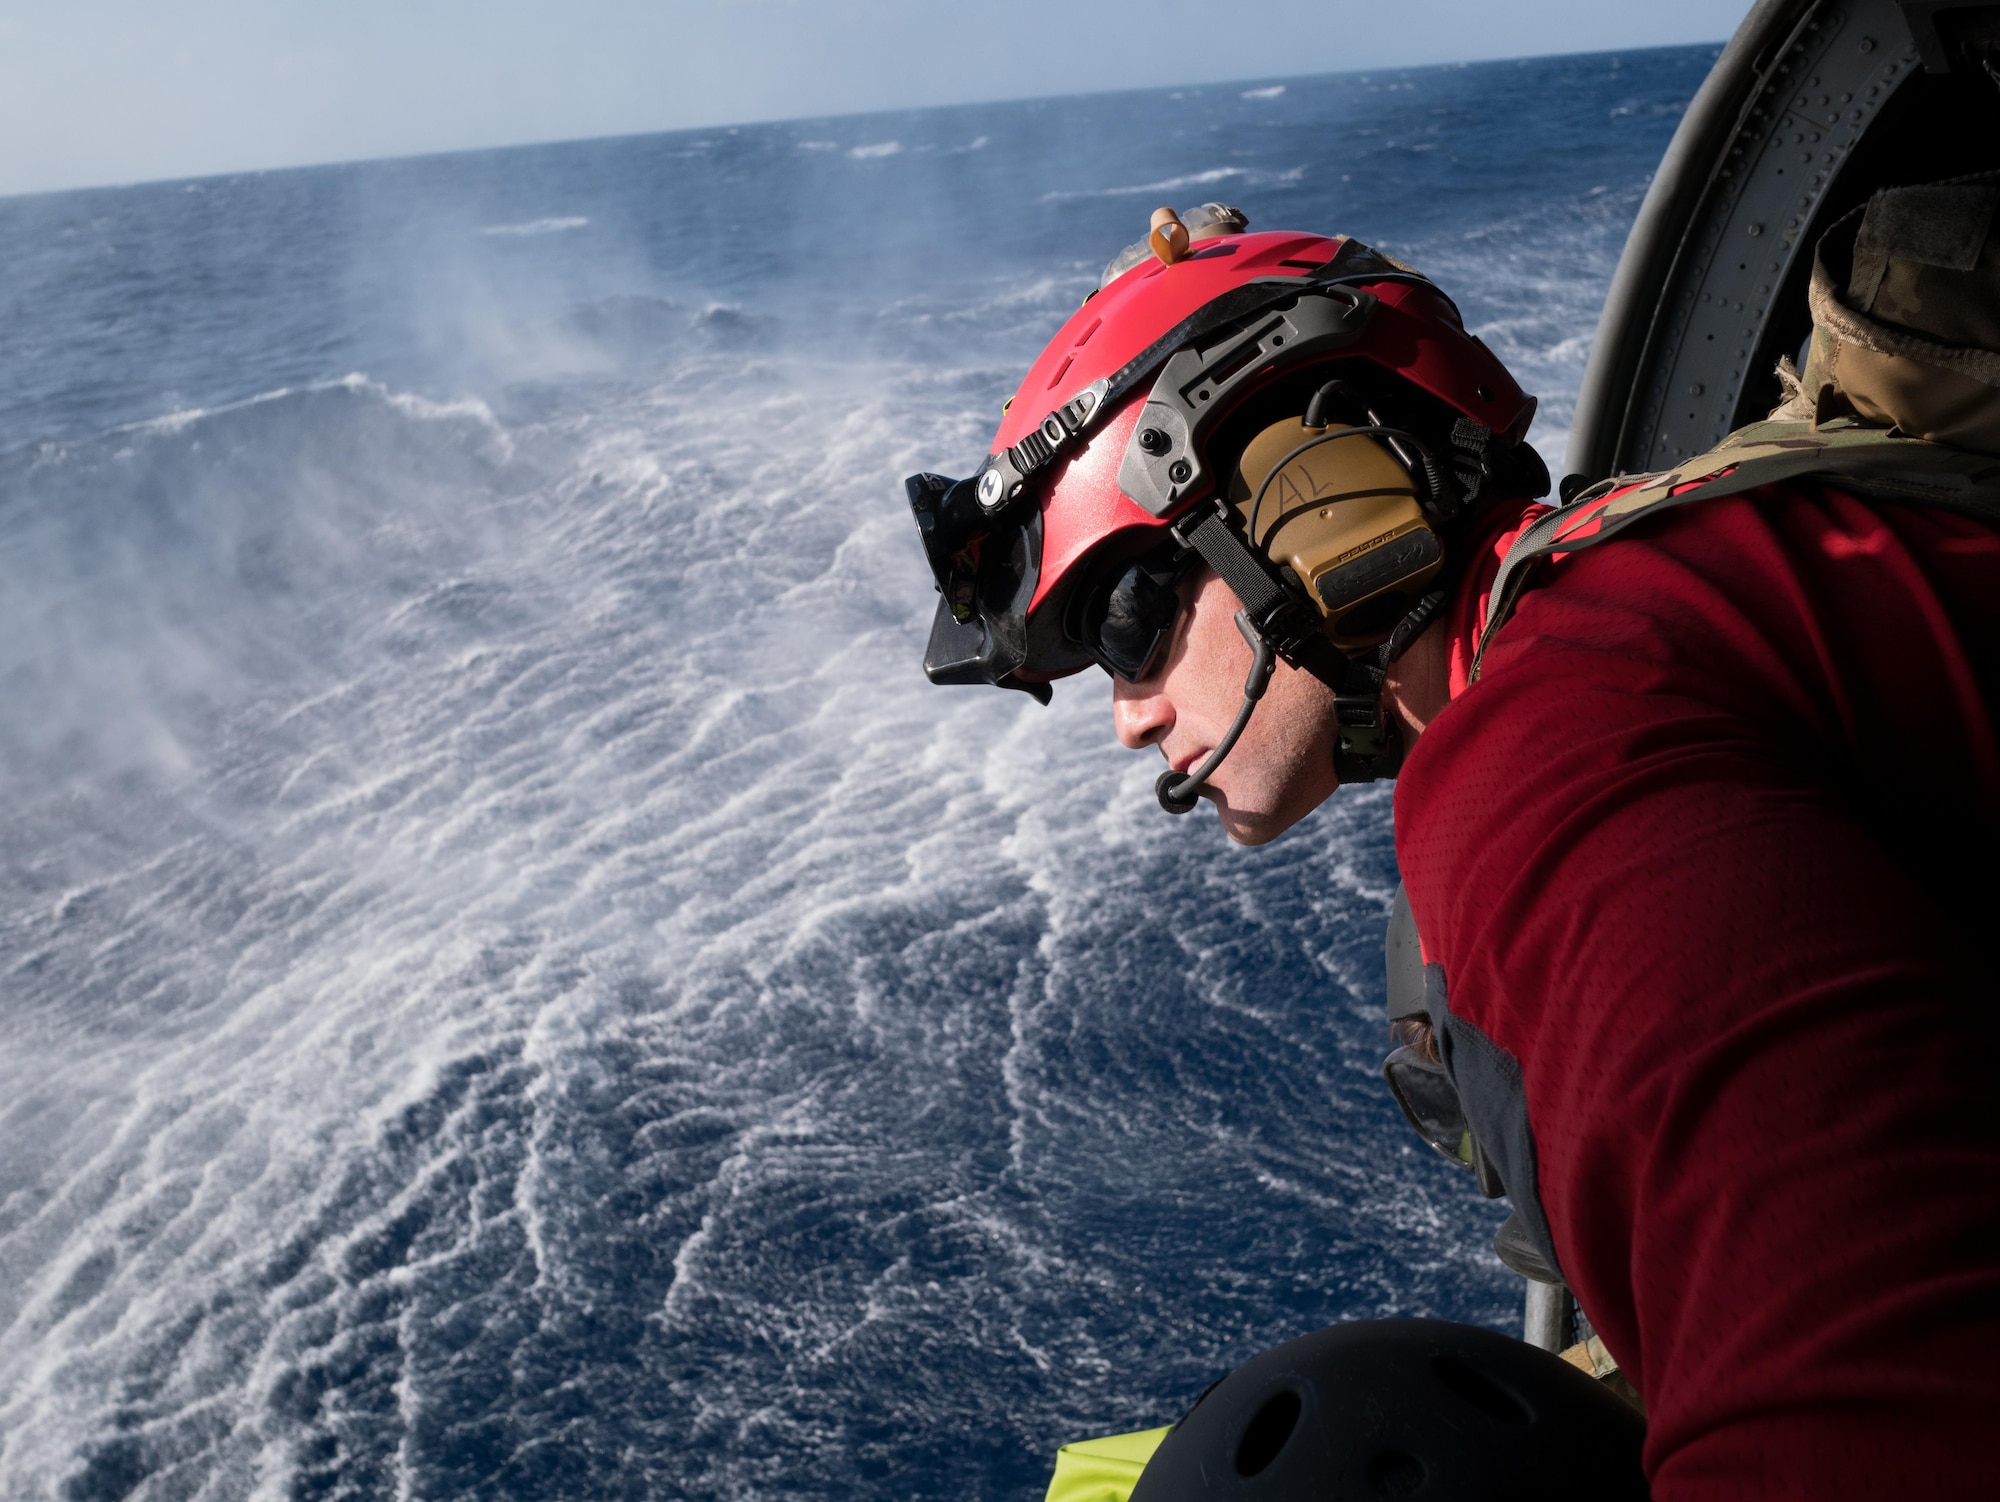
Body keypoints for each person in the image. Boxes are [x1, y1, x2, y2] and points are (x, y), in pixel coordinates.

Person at [904, 188, 2000, 1498]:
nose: (1131, 716)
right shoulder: (1645, 596)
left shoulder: (1552, 741)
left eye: (1129, 619)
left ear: (1299, 490)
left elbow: (1875, 1419)